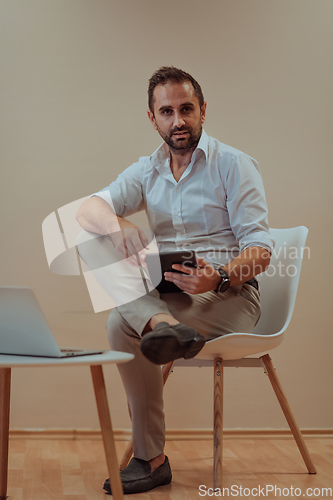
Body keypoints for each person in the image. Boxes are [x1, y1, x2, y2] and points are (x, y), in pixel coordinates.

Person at [76, 66, 274, 495]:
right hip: (171, 295)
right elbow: (86, 210)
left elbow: (261, 251)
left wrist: (219, 275)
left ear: (203, 111)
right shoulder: (147, 170)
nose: (178, 120)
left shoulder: (234, 165)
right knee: (88, 238)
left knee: (117, 324)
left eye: (187, 109)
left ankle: (149, 459)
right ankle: (161, 326)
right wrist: (116, 227)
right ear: (153, 118)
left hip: (230, 295)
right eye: (167, 111)